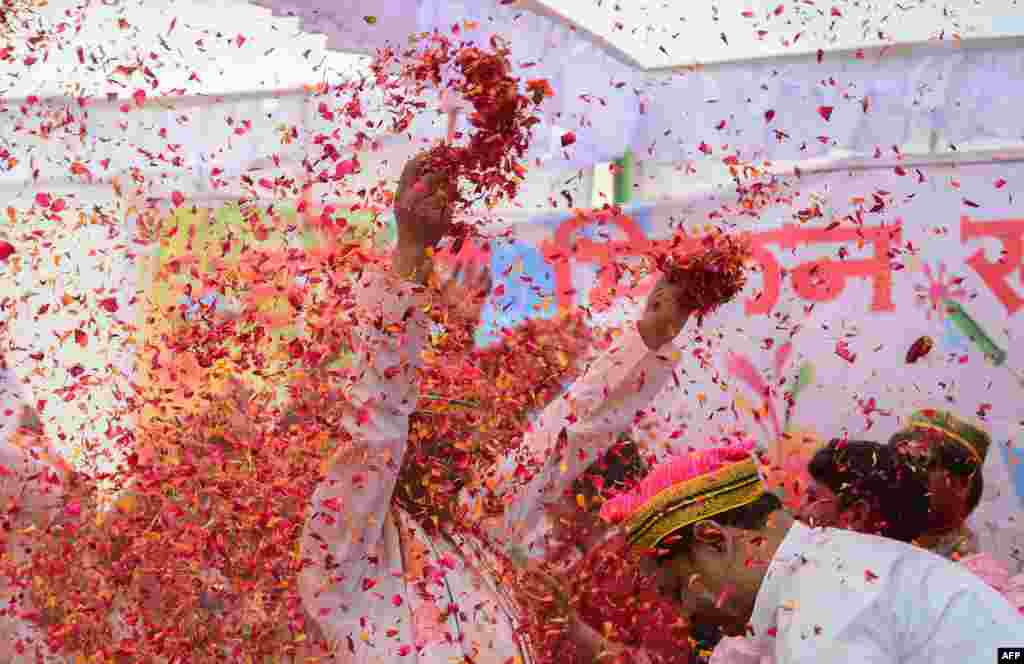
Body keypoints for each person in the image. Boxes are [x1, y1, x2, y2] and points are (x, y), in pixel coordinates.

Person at [297, 151, 697, 663]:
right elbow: (378, 419)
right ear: (408, 442)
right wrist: (413, 251)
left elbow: (564, 435)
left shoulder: (475, 523)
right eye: (442, 425)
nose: (465, 441)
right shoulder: (350, 544)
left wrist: (648, 338)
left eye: (467, 425)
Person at [599, 437, 1024, 664]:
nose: (683, 615)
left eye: (676, 592)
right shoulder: (825, 564)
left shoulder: (820, 604)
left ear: (715, 539)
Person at [889, 409, 990, 559]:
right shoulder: (873, 534)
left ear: (962, 483)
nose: (903, 475)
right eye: (899, 459)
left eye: (920, 462)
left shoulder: (970, 573)